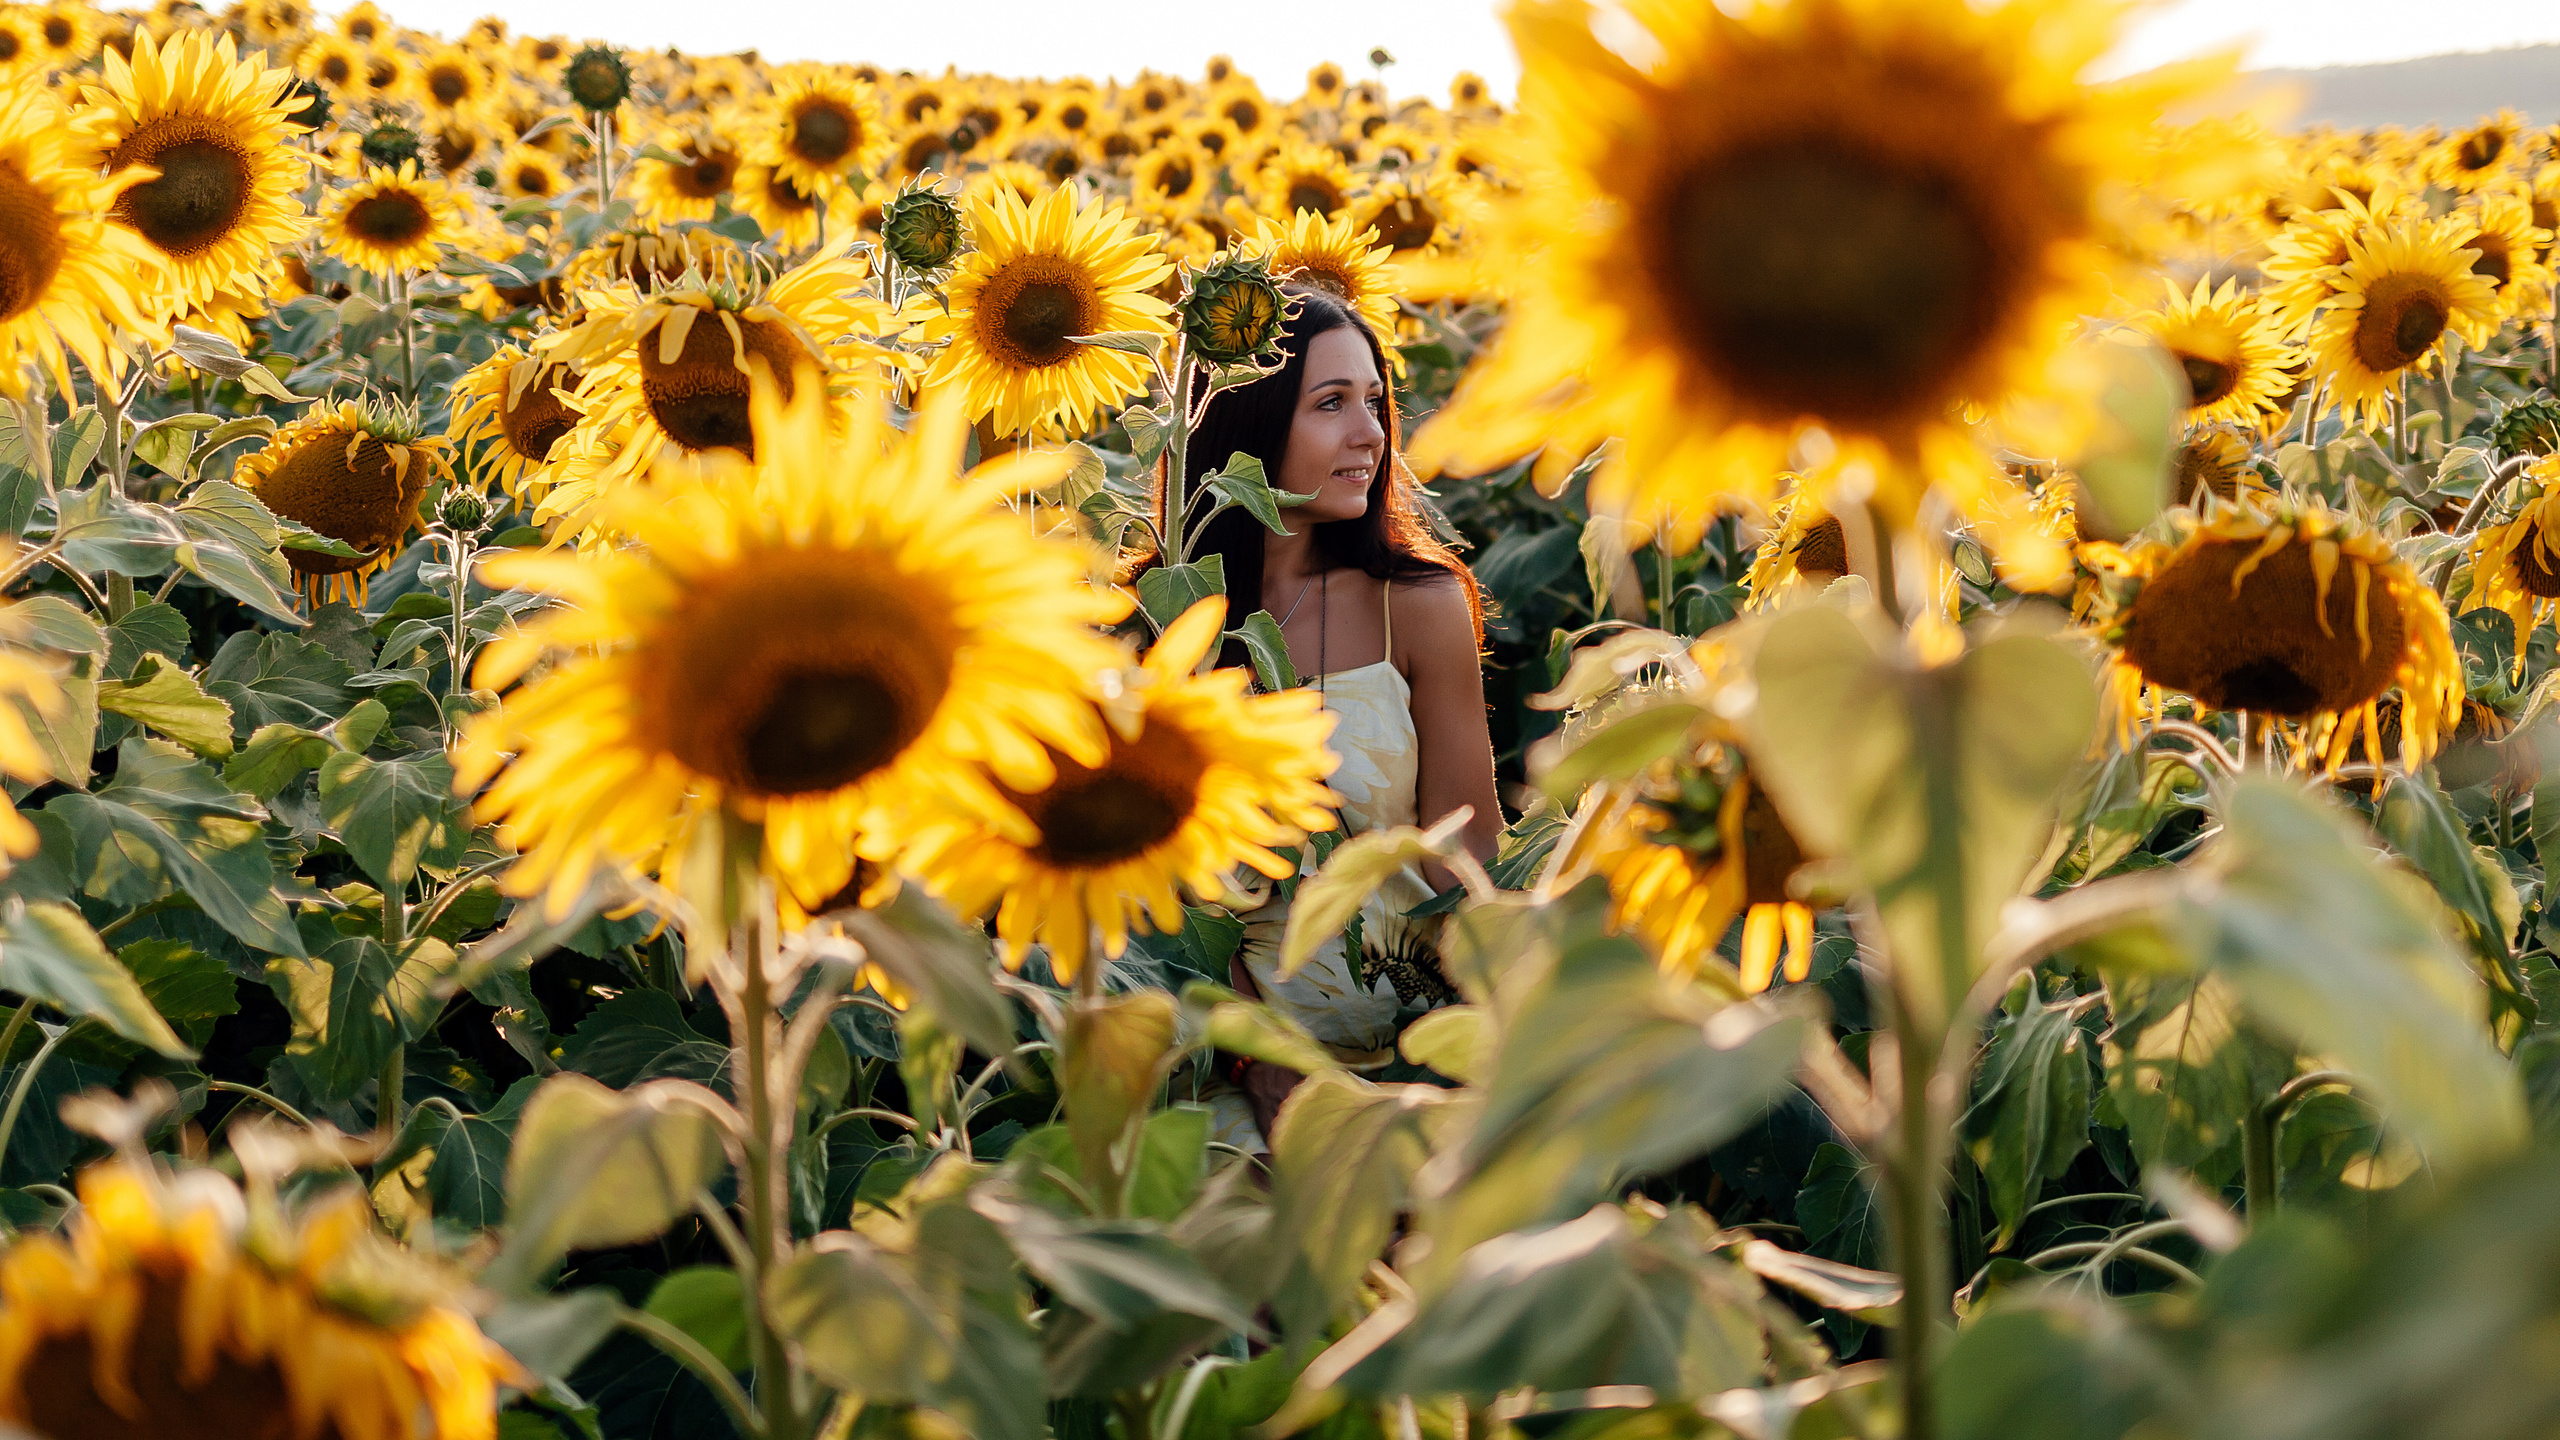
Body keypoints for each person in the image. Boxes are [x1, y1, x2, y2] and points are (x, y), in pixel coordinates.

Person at [1157, 284, 1504, 1148]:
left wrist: (1457, 1066)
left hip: (1417, 1063)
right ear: (1250, 423)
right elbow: (1158, 905)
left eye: (1375, 403)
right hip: (1229, 1061)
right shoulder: (1164, 620)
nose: (1371, 435)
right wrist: (1256, 1059)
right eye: (1330, 404)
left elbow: (1472, 854)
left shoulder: (1417, 605)